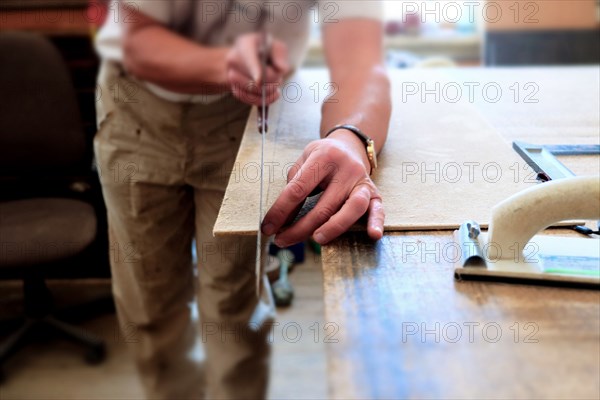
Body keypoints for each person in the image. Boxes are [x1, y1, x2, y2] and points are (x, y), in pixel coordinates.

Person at [94, 0, 391, 398]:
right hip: (140, 110)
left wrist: (351, 137)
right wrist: (224, 63)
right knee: (151, 304)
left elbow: (361, 61)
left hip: (250, 115)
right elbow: (138, 39)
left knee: (236, 306)